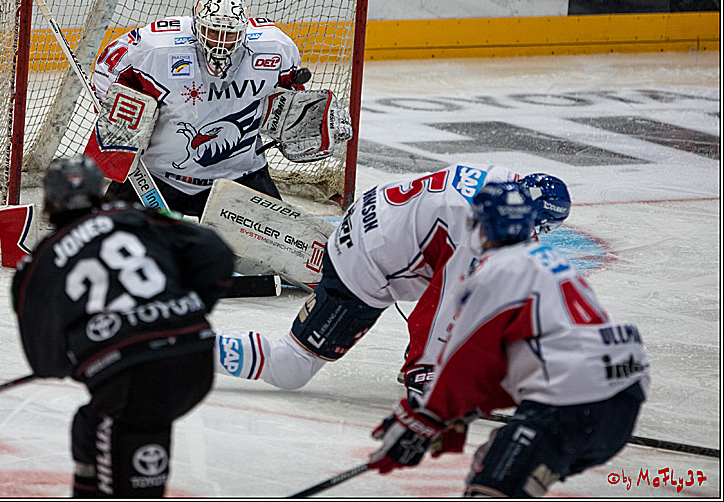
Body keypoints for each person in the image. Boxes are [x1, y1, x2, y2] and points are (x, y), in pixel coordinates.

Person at [367, 181, 648, 497]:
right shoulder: (551, 260)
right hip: (624, 399)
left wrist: (423, 417)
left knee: (491, 488)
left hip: (572, 403)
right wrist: (458, 413)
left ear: (482, 227)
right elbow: (521, 360)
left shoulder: (495, 271)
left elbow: (468, 358)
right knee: (493, 464)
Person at [212, 163, 570, 397]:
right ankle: (190, 345)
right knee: (291, 368)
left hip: (374, 216)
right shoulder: (478, 231)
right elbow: (440, 307)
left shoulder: (499, 179)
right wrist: (423, 371)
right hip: (363, 264)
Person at [10, 155, 235, 497]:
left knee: (126, 432)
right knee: (93, 429)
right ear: (99, 190)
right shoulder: (137, 217)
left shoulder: (37, 263)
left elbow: (45, 361)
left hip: (132, 375)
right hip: (196, 357)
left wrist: (79, 356)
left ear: (49, 201)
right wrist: (183, 309)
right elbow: (216, 253)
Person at [90, 0, 351, 217]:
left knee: (277, 262)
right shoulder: (158, 47)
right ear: (196, 25)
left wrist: (310, 119)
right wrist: (121, 118)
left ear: (244, 30)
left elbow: (291, 98)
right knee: (104, 245)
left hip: (241, 176)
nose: (220, 43)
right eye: (212, 32)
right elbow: (106, 70)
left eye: (229, 34)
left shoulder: (275, 47)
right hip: (157, 177)